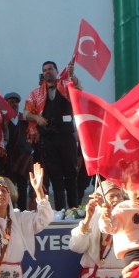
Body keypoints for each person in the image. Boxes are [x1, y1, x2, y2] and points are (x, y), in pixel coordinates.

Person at [24, 60, 81, 211]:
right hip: (48, 139)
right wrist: (37, 118)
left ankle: (74, 208)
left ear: (56, 71)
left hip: (67, 137)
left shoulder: (65, 87)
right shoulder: (36, 93)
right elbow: (26, 113)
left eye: (50, 69)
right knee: (55, 177)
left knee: (70, 174)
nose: (47, 71)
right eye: (45, 70)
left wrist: (72, 76)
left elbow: (78, 90)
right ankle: (61, 210)